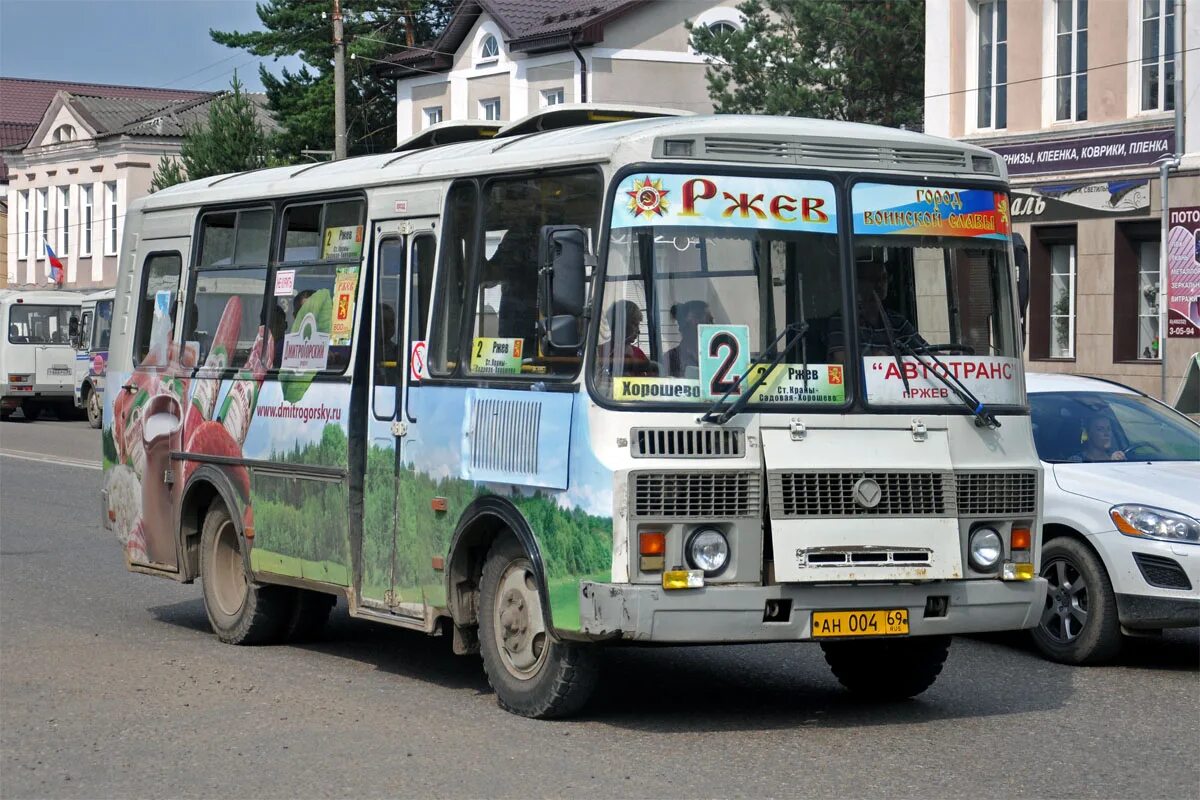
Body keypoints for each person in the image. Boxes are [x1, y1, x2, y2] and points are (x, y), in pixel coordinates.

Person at [828, 254, 927, 362]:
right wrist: (875, 359)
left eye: (884, 278)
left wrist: (947, 358)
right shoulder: (842, 320)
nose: (880, 284)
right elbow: (843, 360)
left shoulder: (897, 322)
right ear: (858, 283)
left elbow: (926, 352)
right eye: (873, 279)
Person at [597, 300, 653, 375]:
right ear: (620, 324)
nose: (639, 331)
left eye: (638, 325)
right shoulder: (598, 353)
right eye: (634, 324)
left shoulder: (639, 354)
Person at [664, 300, 713, 377]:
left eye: (710, 320)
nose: (708, 323)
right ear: (683, 324)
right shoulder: (671, 359)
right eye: (698, 316)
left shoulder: (718, 357)